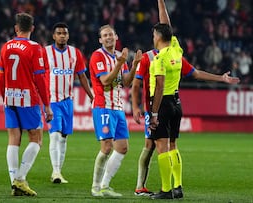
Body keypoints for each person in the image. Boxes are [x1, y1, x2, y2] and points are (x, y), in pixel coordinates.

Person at [132, 0, 240, 198]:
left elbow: (160, 88)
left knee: (161, 147)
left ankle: (166, 190)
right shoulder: (176, 50)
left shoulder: (159, 60)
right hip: (177, 103)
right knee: (173, 145)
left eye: (154, 34)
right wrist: (221, 78)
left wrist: (153, 114)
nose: (153, 36)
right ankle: (178, 187)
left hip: (162, 104)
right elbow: (196, 72)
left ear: (157, 37)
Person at [0, 12, 53, 197]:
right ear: (33, 28)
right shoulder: (36, 48)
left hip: (9, 97)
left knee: (13, 138)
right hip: (27, 98)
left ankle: (13, 179)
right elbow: (40, 78)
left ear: (16, 28)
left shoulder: (6, 47)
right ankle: (19, 179)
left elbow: (1, 77)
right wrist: (46, 105)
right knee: (36, 139)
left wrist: (3, 96)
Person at [89, 24, 142, 197]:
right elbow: (105, 80)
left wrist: (134, 66)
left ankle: (105, 185)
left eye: (111, 34)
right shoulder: (97, 56)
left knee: (122, 147)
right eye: (105, 35)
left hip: (118, 108)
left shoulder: (120, 56)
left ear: (116, 36)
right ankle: (96, 187)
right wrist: (119, 65)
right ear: (100, 40)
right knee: (106, 147)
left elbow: (126, 82)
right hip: (103, 106)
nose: (108, 37)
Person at [43, 22, 94, 184]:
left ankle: (58, 171)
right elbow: (37, 74)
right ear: (54, 36)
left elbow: (82, 76)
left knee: (64, 138)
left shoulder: (75, 53)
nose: (62, 36)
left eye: (64, 33)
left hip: (68, 101)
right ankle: (56, 171)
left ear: (68, 35)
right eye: (59, 33)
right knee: (55, 135)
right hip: (52, 101)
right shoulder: (46, 53)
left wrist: (91, 96)